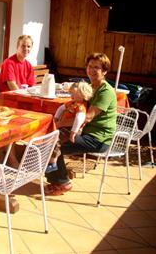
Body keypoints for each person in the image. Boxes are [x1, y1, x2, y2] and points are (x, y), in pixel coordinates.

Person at [44, 52, 117, 196]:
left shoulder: (106, 91)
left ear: (104, 71)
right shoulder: (90, 87)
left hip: (98, 139)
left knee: (51, 144)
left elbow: (86, 117)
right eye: (90, 66)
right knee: (51, 140)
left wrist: (59, 124)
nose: (92, 70)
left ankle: (62, 182)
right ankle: (59, 176)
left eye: (97, 67)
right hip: (85, 132)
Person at [46, 81, 93, 173]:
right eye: (71, 93)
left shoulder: (81, 107)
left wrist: (73, 133)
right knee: (51, 137)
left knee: (56, 140)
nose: (71, 96)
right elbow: (61, 108)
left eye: (73, 94)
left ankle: (53, 163)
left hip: (70, 129)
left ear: (82, 95)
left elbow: (79, 120)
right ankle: (48, 159)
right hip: (64, 127)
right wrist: (56, 118)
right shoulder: (72, 103)